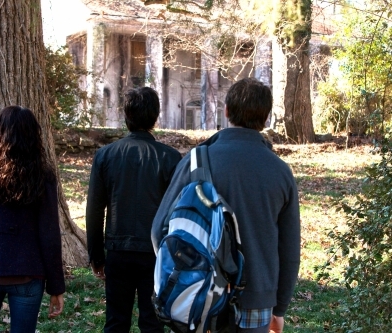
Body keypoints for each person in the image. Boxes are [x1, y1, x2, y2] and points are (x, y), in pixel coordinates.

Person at [152, 78, 300, 333]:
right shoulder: (281, 172)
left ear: (227, 111)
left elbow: (159, 230)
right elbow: (289, 250)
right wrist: (280, 309)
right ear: (265, 119)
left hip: (202, 297)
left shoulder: (196, 161)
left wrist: (184, 274)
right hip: (258, 299)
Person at [0, 106, 65, 333]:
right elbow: (49, 234)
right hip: (27, 273)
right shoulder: (42, 176)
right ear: (32, 136)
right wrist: (56, 287)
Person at [86, 87, 182, 333]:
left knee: (116, 321)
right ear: (155, 117)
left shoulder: (106, 156)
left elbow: (95, 209)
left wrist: (96, 255)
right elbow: (178, 212)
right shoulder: (170, 158)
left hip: (118, 250)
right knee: (152, 322)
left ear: (126, 115)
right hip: (156, 253)